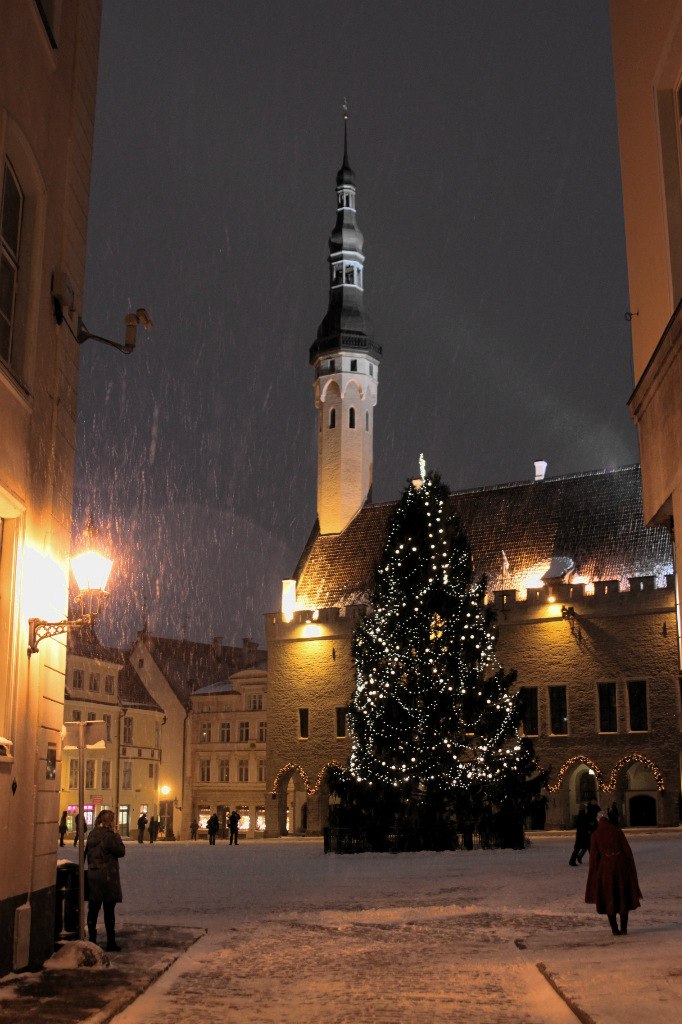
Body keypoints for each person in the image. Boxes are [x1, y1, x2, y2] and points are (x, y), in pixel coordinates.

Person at [585, 812, 642, 936]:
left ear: (598, 820)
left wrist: (594, 873)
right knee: (622, 895)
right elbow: (627, 850)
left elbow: (594, 856)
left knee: (609, 896)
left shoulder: (595, 834)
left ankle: (614, 929)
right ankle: (624, 928)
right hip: (621, 867)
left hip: (605, 869)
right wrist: (629, 866)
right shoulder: (617, 831)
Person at [85, 808, 125, 952]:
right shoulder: (110, 836)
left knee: (93, 909)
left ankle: (92, 940)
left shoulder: (92, 834)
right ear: (110, 821)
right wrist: (117, 836)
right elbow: (121, 851)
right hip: (107, 877)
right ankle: (111, 942)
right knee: (109, 910)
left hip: (93, 875)